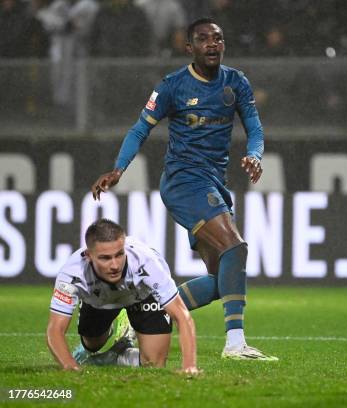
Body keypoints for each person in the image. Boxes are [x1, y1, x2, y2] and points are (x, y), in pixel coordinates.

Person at [90, 17, 276, 361]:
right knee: (235, 248)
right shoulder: (172, 86)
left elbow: (255, 127)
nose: (212, 44)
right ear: (189, 48)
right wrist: (119, 168)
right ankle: (235, 343)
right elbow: (139, 129)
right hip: (183, 181)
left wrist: (254, 154)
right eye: (203, 39)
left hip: (214, 183)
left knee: (223, 279)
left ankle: (142, 319)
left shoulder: (236, 83)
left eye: (217, 38)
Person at [47, 219, 199, 373]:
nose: (114, 265)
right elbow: (55, 330)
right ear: (88, 255)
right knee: (91, 344)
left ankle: (115, 356)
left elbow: (182, 316)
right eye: (105, 258)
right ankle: (110, 327)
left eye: (119, 254)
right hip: (100, 300)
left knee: (154, 364)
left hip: (142, 295)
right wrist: (70, 366)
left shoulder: (147, 262)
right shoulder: (71, 274)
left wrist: (189, 366)